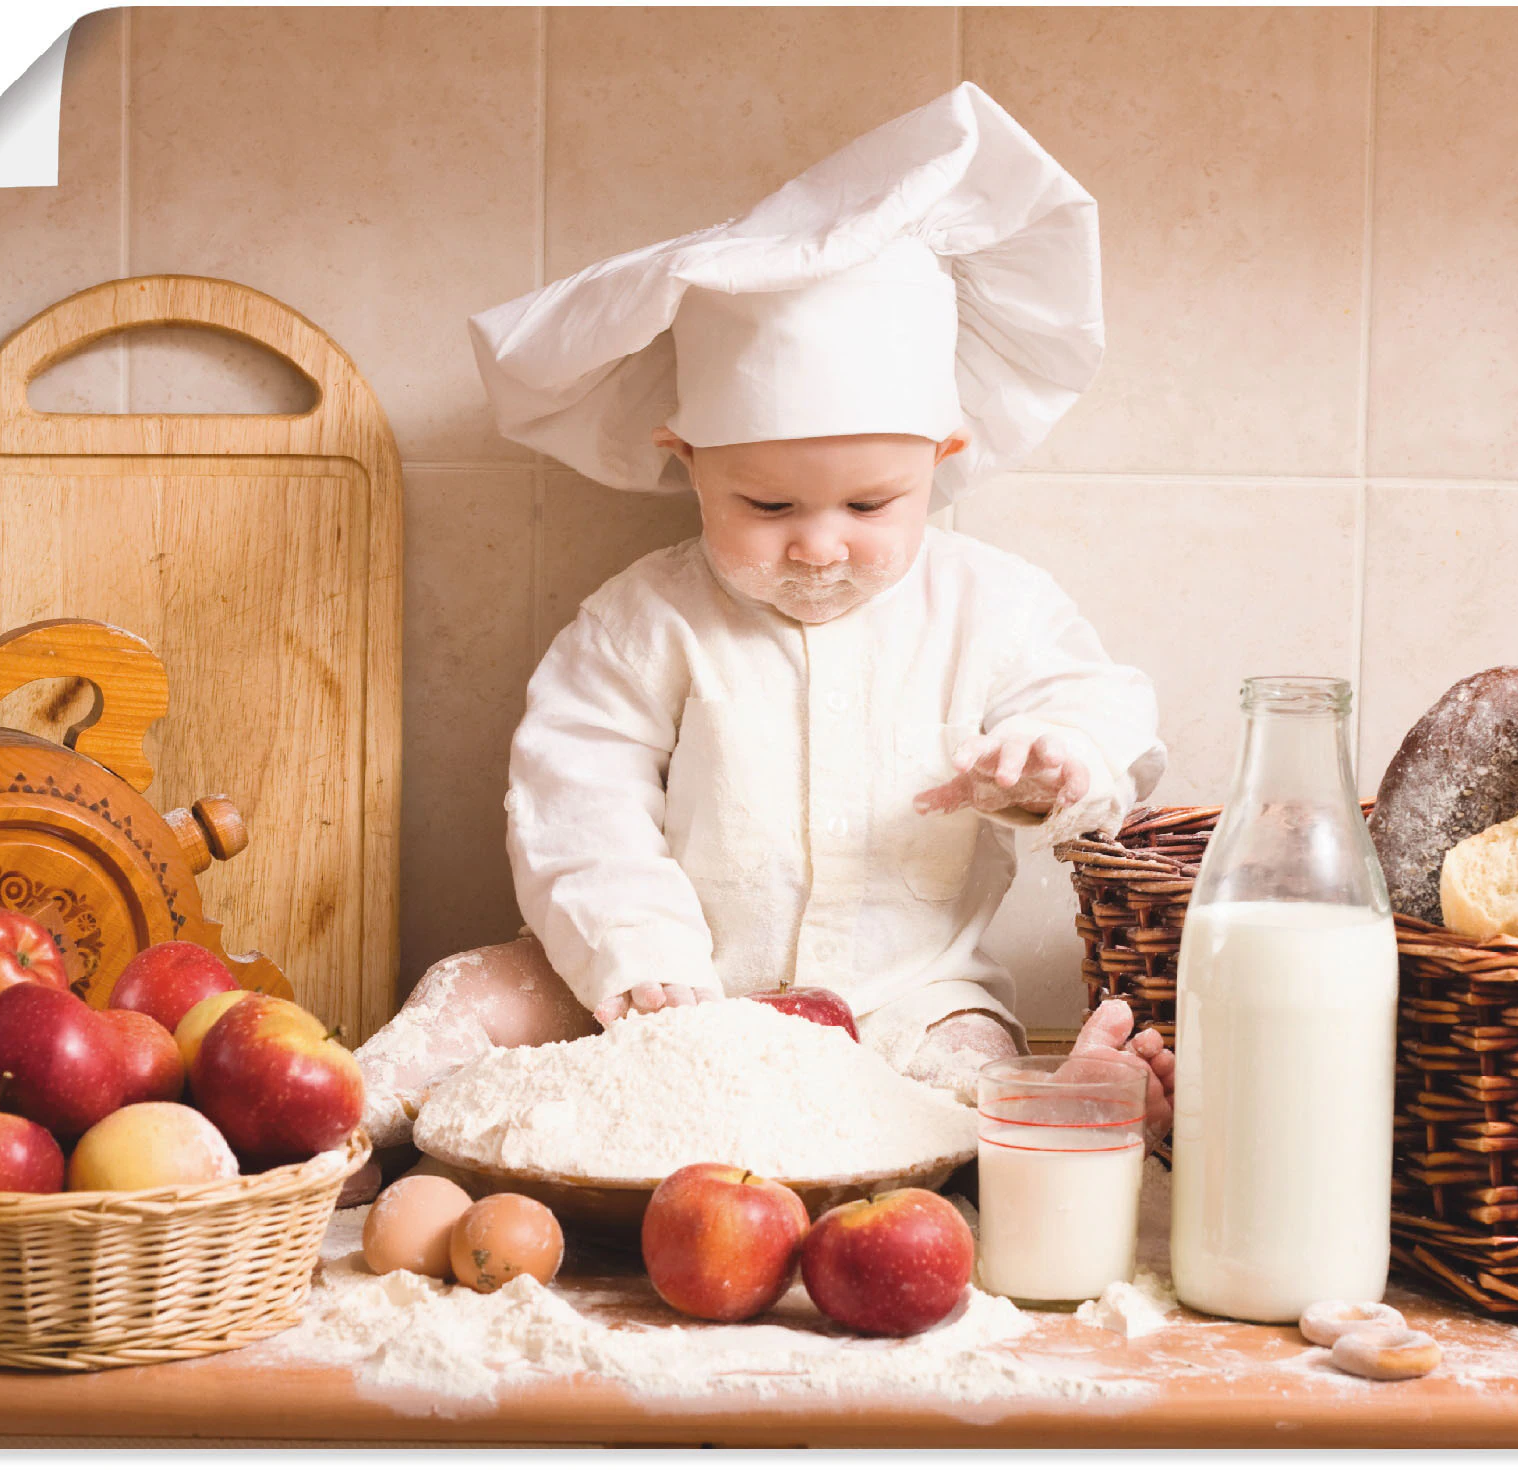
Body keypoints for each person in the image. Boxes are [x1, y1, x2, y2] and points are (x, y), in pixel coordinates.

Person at [355, 82, 1174, 1170]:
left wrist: (1056, 761)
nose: (820, 546)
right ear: (687, 463)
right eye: (768, 506)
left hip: (902, 995)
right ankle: (330, 1125)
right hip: (663, 989)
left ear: (944, 460)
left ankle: (1063, 1115)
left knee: (965, 1057)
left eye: (870, 505)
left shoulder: (996, 606)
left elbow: (1100, 704)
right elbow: (574, 797)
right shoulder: (644, 620)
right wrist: (640, 960)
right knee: (473, 990)